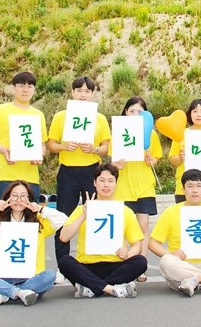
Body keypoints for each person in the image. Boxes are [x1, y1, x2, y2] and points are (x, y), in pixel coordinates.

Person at [0, 181, 68, 305]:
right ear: (8, 197)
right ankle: (20, 293)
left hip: (30, 278)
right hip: (1, 278)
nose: (19, 199)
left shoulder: (38, 222)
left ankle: (4, 294)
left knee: (50, 275)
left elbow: (63, 219)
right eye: (14, 195)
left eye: (23, 196)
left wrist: (40, 208)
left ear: (29, 199)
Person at [58, 163, 147, 298]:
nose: (106, 185)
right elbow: (63, 237)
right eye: (102, 181)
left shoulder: (125, 211)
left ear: (116, 184)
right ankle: (112, 289)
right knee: (65, 262)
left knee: (141, 261)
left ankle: (91, 287)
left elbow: (137, 245)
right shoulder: (83, 209)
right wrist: (84, 216)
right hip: (87, 266)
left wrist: (127, 254)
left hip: (115, 265)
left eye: (111, 181)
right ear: (94, 183)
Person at [48, 76, 111, 263]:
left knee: (96, 216)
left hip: (92, 172)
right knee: (63, 218)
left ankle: (96, 261)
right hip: (67, 172)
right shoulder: (61, 116)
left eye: (87, 91)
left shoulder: (99, 118)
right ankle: (63, 264)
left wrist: (94, 149)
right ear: (72, 92)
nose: (83, 94)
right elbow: (51, 145)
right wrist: (63, 147)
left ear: (92, 94)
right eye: (79, 90)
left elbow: (105, 147)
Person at [112, 96, 161, 282]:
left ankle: (140, 265)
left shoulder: (152, 134)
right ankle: (125, 264)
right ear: (125, 112)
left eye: (139, 112)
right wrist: (118, 165)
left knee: (143, 226)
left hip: (145, 186)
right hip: (123, 186)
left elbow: (156, 158)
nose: (135, 114)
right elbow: (112, 161)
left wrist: (151, 160)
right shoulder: (118, 132)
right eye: (131, 111)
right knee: (124, 227)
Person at [0, 71, 47, 199]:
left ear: (34, 90)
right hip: (5, 176)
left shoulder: (38, 115)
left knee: (31, 216)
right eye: (21, 86)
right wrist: (3, 150)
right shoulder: (0, 110)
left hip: (31, 178)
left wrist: (39, 155)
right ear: (13, 88)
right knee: (6, 216)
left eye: (30, 86)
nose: (25, 90)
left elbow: (42, 144)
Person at [169, 99, 201, 206]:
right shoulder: (180, 134)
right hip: (184, 187)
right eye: (195, 111)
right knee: (184, 221)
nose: (199, 114)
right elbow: (172, 160)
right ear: (189, 114)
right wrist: (180, 157)